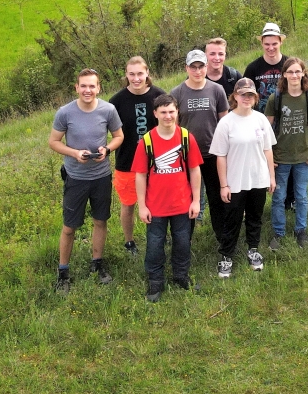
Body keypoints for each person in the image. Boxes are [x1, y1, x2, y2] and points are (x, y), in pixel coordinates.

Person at [48, 68, 124, 295]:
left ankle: (97, 264)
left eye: (92, 86)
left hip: (101, 176)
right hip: (76, 177)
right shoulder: (65, 113)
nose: (88, 90)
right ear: (77, 88)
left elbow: (119, 136)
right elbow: (53, 141)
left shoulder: (108, 110)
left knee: (100, 221)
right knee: (69, 226)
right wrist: (74, 153)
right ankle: (63, 273)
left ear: (99, 87)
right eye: (84, 86)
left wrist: (107, 149)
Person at [132, 94, 202, 302]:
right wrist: (142, 206)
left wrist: (196, 200)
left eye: (171, 111)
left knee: (182, 242)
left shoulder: (186, 137)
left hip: (182, 204)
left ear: (177, 112)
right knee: (155, 244)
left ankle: (181, 276)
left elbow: (195, 170)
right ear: (155, 114)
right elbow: (140, 175)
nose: (168, 116)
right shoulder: (147, 141)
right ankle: (155, 281)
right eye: (163, 112)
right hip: (156, 207)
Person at [208, 78, 277, 277]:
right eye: (242, 94)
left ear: (255, 98)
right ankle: (226, 256)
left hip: (258, 178)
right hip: (235, 181)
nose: (246, 98)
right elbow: (220, 156)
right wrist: (224, 185)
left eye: (250, 95)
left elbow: (268, 150)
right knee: (232, 220)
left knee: (255, 218)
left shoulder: (260, 119)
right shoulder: (226, 122)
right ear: (235, 96)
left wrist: (271, 177)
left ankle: (253, 250)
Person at [108, 57, 166, 256]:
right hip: (127, 162)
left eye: (140, 73)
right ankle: (129, 242)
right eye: (131, 74)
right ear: (126, 75)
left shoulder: (159, 96)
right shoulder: (116, 101)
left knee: (158, 202)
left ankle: (158, 238)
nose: (136, 78)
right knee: (128, 204)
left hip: (156, 162)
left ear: (147, 73)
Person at [170, 50, 229, 241]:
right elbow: (173, 127)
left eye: (201, 66)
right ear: (186, 68)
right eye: (193, 67)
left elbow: (225, 123)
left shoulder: (216, 90)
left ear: (207, 67)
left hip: (213, 153)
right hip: (187, 156)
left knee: (216, 197)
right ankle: (185, 239)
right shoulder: (177, 93)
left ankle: (222, 237)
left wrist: (226, 151)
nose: (197, 71)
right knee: (188, 199)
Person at [265, 58, 308, 250]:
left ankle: (301, 230)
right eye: (290, 72)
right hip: (280, 157)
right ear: (284, 75)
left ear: (303, 73)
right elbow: (267, 127)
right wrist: (268, 157)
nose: (294, 75)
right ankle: (279, 232)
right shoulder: (277, 98)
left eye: (298, 72)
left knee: (302, 196)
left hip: (303, 156)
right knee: (278, 197)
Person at [243, 22, 287, 114]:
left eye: (274, 44)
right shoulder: (252, 68)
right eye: (267, 44)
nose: (271, 48)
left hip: (286, 119)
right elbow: (244, 96)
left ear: (281, 42)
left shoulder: (290, 65)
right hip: (260, 120)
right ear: (262, 43)